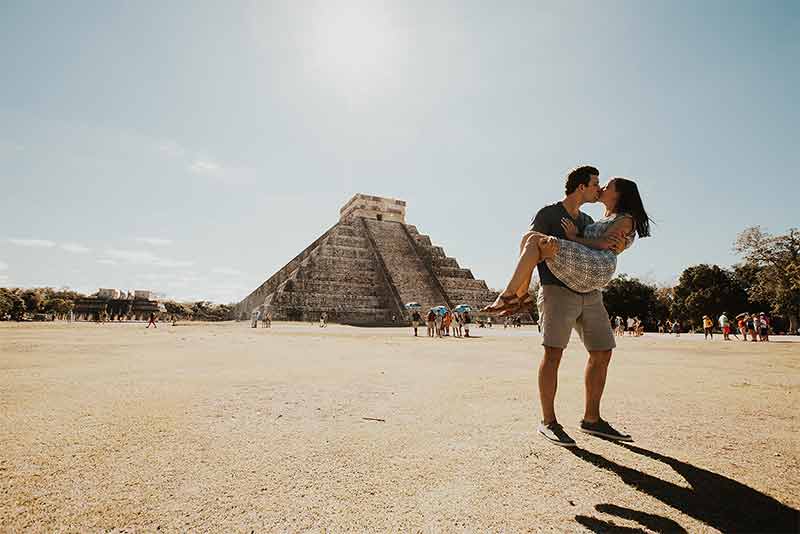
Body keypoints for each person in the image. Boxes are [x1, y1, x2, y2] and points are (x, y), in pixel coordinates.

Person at [493, 166, 651, 446]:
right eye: (596, 184)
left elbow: (605, 242)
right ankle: (549, 421)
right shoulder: (549, 214)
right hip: (557, 290)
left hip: (590, 292)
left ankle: (592, 420)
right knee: (553, 353)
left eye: (604, 185)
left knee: (603, 352)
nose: (600, 188)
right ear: (582, 187)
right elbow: (527, 248)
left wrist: (621, 244)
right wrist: (527, 285)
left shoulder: (589, 219)